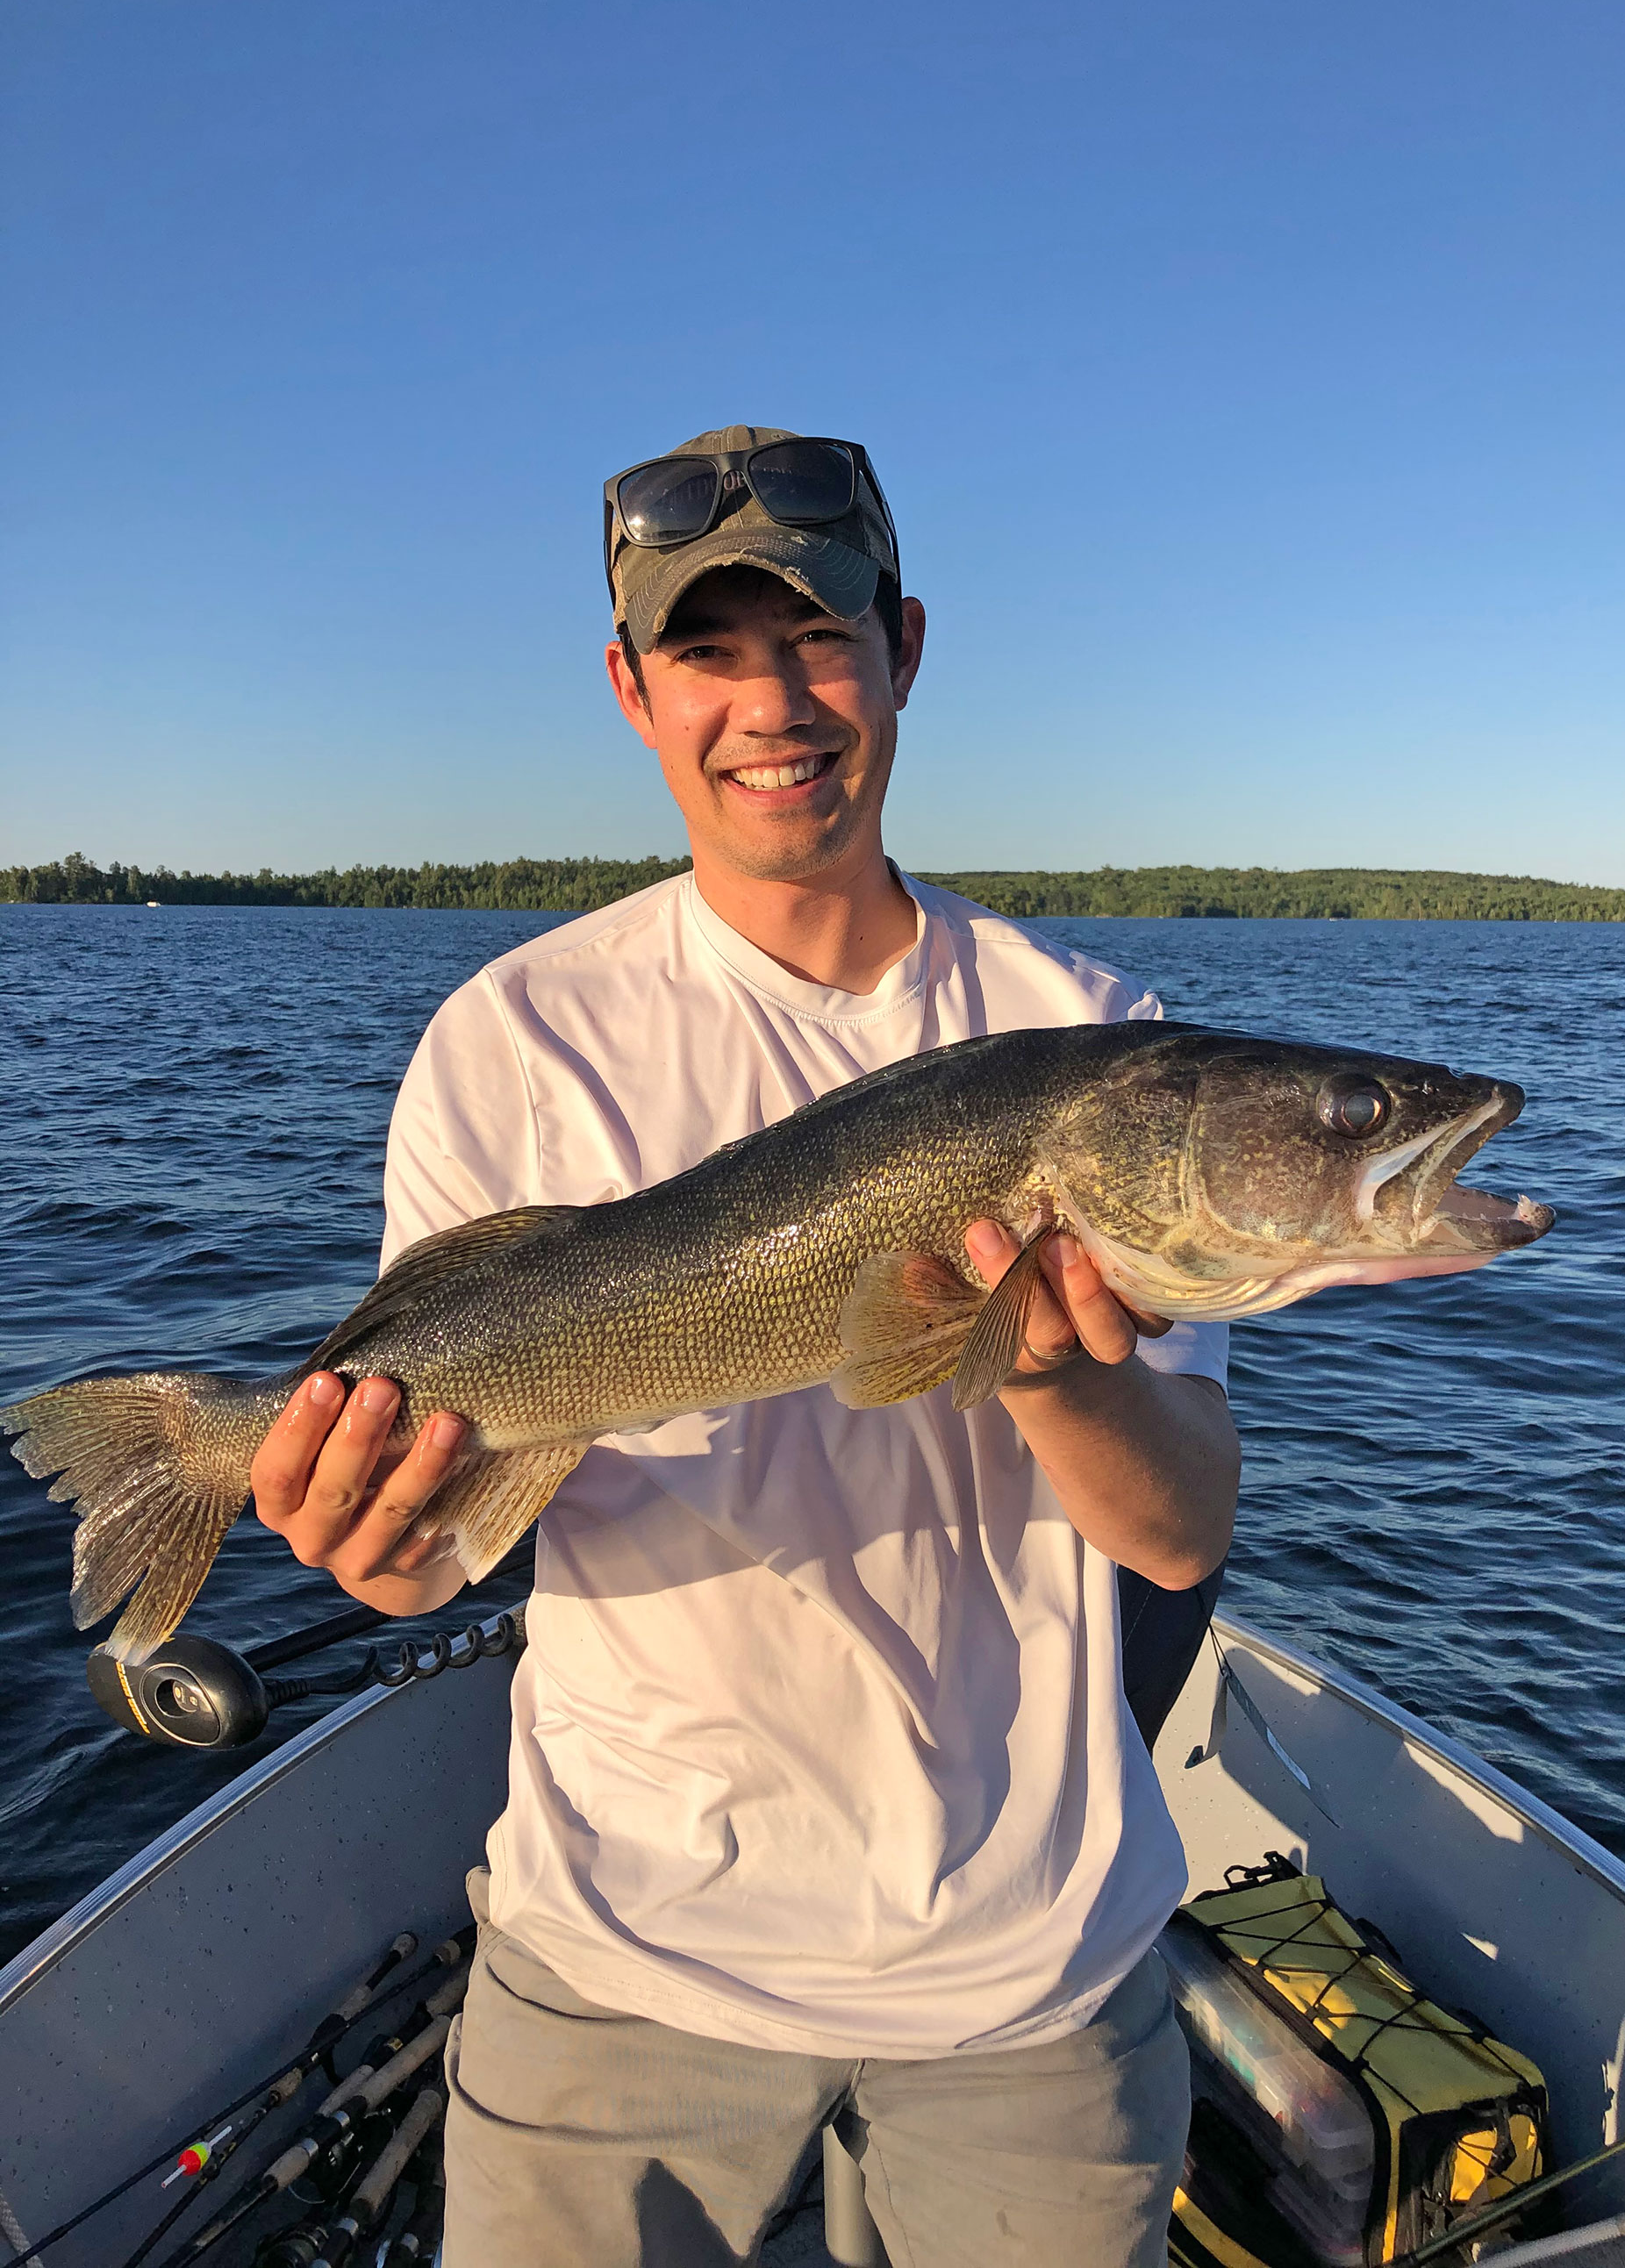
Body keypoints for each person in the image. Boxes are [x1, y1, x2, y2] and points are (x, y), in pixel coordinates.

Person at [249, 426, 1241, 2267]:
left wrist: (1040, 1359)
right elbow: (429, 1556)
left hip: (1026, 1970)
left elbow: (1180, 1536)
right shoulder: (511, 1037)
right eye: (708, 650)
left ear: (905, 649)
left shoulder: (1093, 1040)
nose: (773, 702)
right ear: (632, 691)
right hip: (620, 1952)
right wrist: (367, 1537)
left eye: (819, 637)